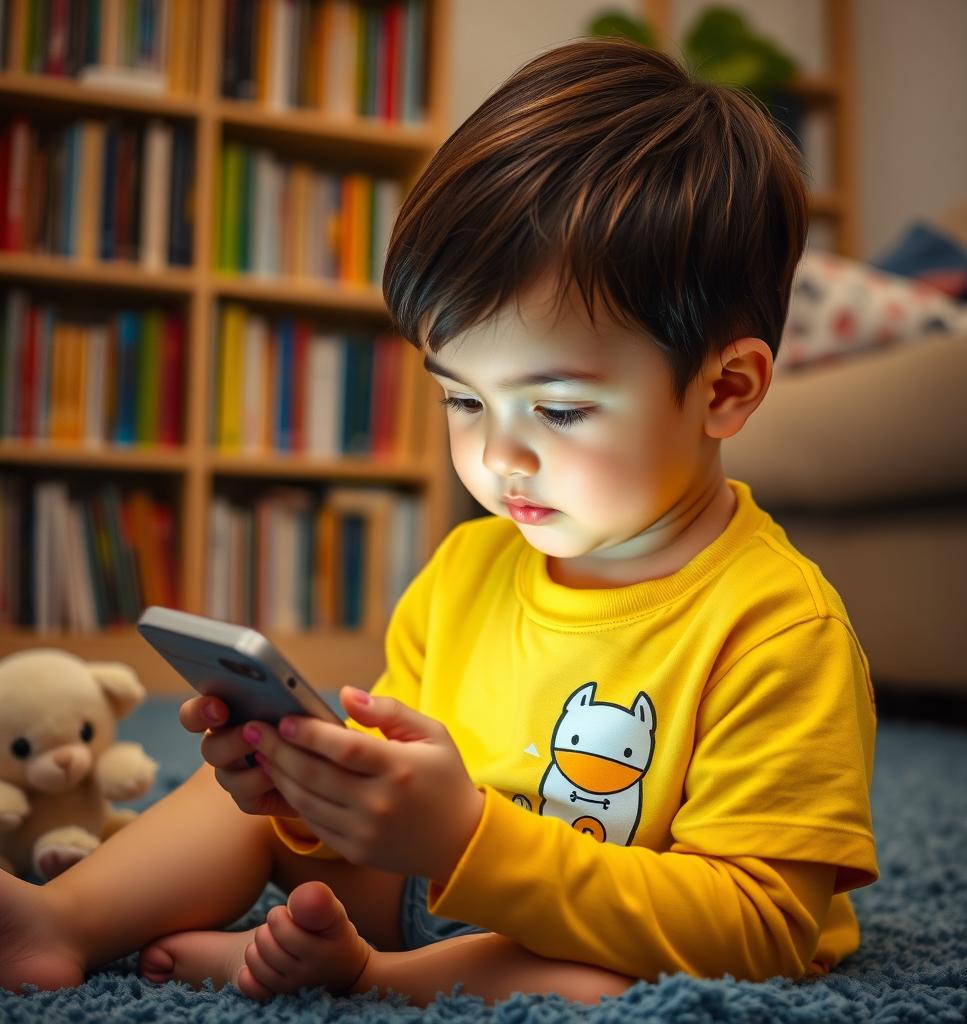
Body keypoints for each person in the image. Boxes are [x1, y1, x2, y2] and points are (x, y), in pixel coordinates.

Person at [0, 37, 878, 1007]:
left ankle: (378, 982)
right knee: (246, 789)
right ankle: (62, 921)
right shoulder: (468, 565)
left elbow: (757, 927)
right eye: (465, 400)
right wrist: (311, 792)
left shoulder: (778, 630)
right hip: (422, 881)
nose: (499, 458)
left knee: (603, 984)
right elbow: (391, 789)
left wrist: (464, 838)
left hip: (616, 930)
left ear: (727, 388)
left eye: (559, 408)